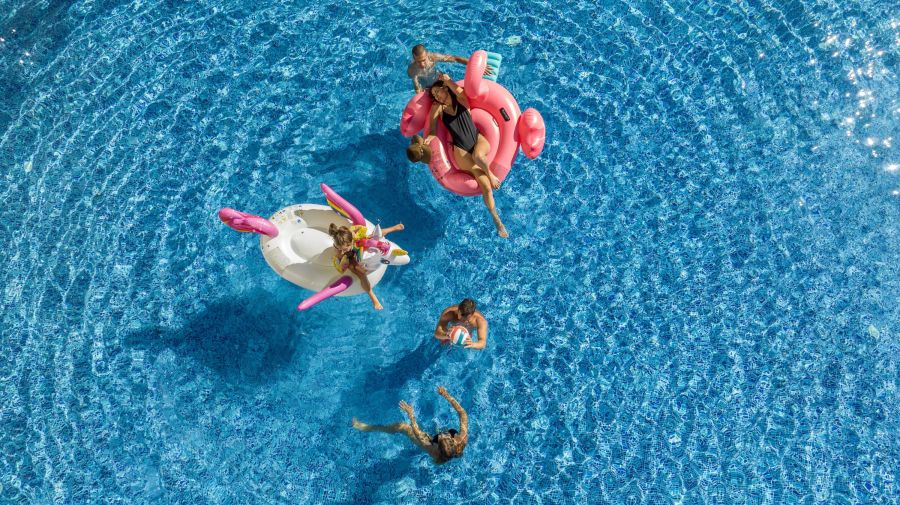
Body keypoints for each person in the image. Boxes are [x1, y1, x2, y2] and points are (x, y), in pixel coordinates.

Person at [420, 74, 508, 237]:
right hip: (461, 151)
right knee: (486, 186)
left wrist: (447, 80)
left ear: (445, 88)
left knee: (479, 156)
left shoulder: (461, 99)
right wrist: (428, 139)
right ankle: (497, 221)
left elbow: (458, 91)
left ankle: (490, 174)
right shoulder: (438, 108)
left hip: (478, 139)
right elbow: (432, 129)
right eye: (434, 95)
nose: (437, 96)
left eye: (438, 92)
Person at [352, 386, 468, 465]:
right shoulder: (461, 438)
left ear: (438, 447)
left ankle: (368, 427)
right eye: (444, 435)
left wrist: (411, 414)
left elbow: (418, 434)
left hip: (431, 445)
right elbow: (462, 413)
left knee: (402, 426)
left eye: (441, 438)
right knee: (437, 428)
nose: (441, 435)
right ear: (452, 440)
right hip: (445, 448)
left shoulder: (433, 450)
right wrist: (446, 395)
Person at [328, 222, 404, 310]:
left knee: (373, 238)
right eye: (341, 248)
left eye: (345, 248)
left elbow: (359, 230)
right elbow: (341, 262)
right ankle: (373, 297)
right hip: (350, 256)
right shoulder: (338, 248)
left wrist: (360, 240)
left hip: (357, 244)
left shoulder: (352, 235)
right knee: (360, 273)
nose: (343, 250)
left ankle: (393, 228)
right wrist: (343, 255)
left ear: (351, 241)